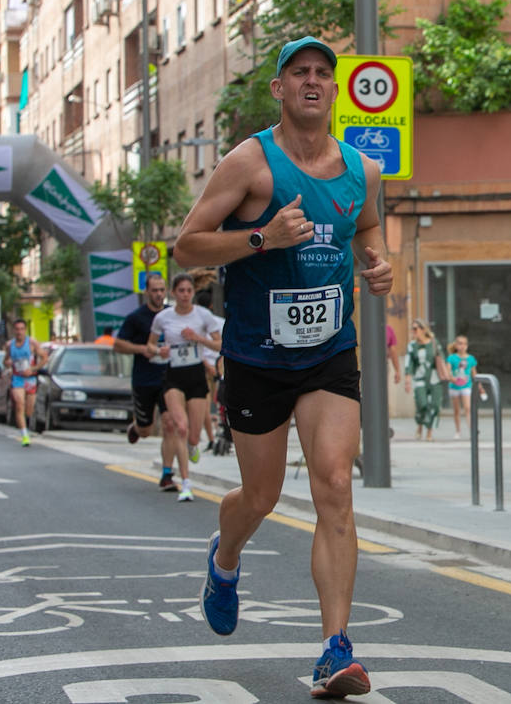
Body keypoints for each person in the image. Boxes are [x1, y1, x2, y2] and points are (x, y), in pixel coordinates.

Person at [174, 35, 393, 699]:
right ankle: (226, 556)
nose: (312, 82)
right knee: (261, 497)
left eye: (323, 74)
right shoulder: (251, 163)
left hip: (329, 353)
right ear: (279, 88)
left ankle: (335, 649)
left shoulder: (364, 168)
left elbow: (368, 231)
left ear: (335, 88)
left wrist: (380, 265)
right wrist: (264, 236)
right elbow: (187, 245)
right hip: (256, 356)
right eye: (299, 73)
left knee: (334, 482)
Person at [150, 273, 222, 502]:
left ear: (193, 292)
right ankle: (186, 483)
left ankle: (192, 446)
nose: (184, 295)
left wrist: (197, 338)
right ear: (174, 293)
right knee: (180, 427)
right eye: (180, 291)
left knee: (192, 436)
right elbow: (150, 345)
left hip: (196, 378)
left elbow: (220, 343)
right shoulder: (163, 317)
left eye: (188, 291)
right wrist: (158, 350)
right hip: (173, 377)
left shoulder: (203, 315)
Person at [114, 273, 178, 489]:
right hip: (144, 379)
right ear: (146, 292)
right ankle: (136, 427)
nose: (159, 294)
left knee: (170, 423)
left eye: (162, 290)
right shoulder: (136, 318)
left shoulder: (172, 314)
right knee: (146, 430)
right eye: (155, 290)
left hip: (168, 378)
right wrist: (142, 349)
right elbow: (118, 345)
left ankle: (167, 474)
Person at [404, 320, 450, 440]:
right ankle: (419, 425)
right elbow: (409, 364)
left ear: (423, 329)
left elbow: (442, 359)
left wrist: (448, 373)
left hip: (435, 378)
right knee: (422, 404)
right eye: (412, 329)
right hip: (419, 379)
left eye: (415, 329)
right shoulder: (412, 345)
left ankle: (429, 432)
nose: (413, 331)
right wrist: (407, 380)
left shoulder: (434, 343)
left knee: (434, 405)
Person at [3, 319, 46, 447]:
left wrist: (32, 369)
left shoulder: (32, 343)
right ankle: (24, 435)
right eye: (17, 329)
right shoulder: (10, 345)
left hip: (30, 379)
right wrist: (8, 364)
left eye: (22, 329)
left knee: (29, 409)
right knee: (19, 404)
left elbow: (45, 358)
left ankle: (26, 423)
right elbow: (5, 360)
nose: (19, 332)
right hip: (17, 378)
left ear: (25, 330)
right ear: (14, 331)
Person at [193, 284, 224, 453]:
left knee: (206, 406)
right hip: (217, 369)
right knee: (216, 404)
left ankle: (212, 437)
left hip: (207, 368)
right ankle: (215, 435)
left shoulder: (198, 323)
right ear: (211, 304)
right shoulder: (220, 322)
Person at [446, 334, 479, 439]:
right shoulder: (451, 358)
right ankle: (458, 431)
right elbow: (448, 372)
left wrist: (480, 386)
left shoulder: (471, 359)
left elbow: (474, 373)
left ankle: (471, 430)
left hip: (466, 385)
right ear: (456, 345)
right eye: (460, 344)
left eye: (465, 344)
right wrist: (452, 378)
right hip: (454, 386)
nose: (462, 346)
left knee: (468, 408)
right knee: (456, 410)